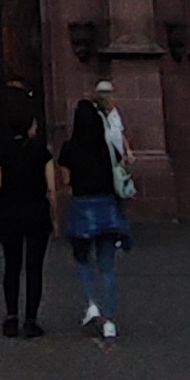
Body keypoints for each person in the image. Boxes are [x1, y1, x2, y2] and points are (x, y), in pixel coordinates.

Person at [56, 97, 130, 340]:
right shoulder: (106, 147)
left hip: (83, 208)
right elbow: (121, 166)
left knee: (83, 259)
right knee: (107, 266)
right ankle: (110, 321)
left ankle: (92, 303)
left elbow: (66, 180)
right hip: (107, 208)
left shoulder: (70, 148)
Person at [0, 91, 56, 338]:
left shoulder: (2, 151)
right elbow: (52, 187)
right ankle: (31, 320)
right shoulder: (42, 152)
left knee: (12, 265)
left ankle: (11, 317)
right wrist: (55, 217)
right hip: (36, 211)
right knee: (34, 267)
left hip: (10, 212)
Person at [93, 77, 135, 195]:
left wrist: (128, 151)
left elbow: (120, 132)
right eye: (103, 93)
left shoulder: (115, 112)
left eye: (108, 93)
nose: (107, 97)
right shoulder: (96, 113)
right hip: (105, 158)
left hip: (118, 157)